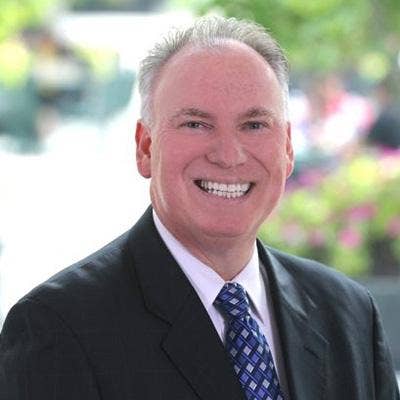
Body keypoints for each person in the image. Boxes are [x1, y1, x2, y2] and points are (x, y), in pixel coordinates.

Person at [0, 16, 398, 400]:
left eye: (254, 125)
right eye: (195, 124)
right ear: (145, 147)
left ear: (288, 148)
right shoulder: (58, 328)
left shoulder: (350, 314)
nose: (228, 155)